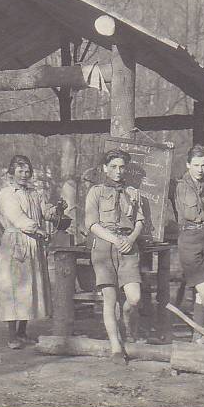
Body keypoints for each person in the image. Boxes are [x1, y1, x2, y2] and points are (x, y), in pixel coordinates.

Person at [0, 155, 65, 349]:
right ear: (11, 173)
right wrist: (38, 230)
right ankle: (11, 335)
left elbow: (45, 212)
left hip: (33, 242)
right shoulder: (8, 193)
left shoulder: (35, 193)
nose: (24, 175)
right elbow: (17, 218)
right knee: (14, 288)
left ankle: (22, 331)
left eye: (27, 172)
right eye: (20, 171)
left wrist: (55, 211)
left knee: (29, 287)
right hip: (16, 242)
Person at [85, 148, 145, 364]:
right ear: (105, 168)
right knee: (110, 300)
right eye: (113, 167)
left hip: (128, 248)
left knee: (134, 298)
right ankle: (116, 347)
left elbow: (139, 221)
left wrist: (131, 239)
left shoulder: (133, 193)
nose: (118, 171)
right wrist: (113, 239)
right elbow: (92, 224)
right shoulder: (96, 192)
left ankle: (127, 318)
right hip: (103, 248)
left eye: (122, 167)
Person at [174, 144, 204, 344]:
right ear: (188, 165)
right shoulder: (178, 186)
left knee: (203, 292)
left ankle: (198, 336)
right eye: (196, 165)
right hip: (189, 240)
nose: (200, 169)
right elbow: (155, 182)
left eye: (203, 165)